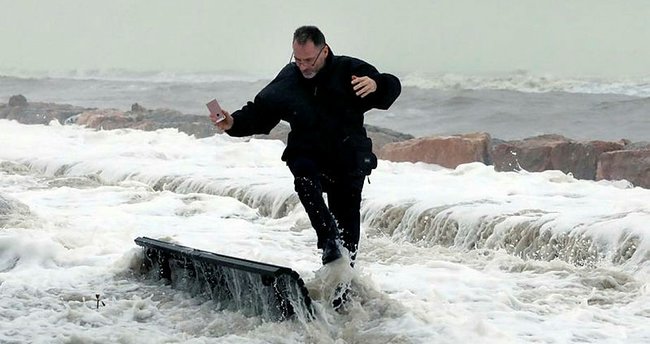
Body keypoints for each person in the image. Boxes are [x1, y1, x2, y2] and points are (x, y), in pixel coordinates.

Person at [211, 25, 401, 267]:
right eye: (298, 60)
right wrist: (233, 123)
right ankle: (328, 239)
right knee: (305, 181)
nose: (304, 66)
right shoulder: (289, 78)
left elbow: (391, 85)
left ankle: (340, 292)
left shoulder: (349, 70)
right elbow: (261, 112)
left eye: (309, 60)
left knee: (348, 245)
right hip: (308, 155)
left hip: (348, 159)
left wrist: (377, 85)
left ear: (325, 51)